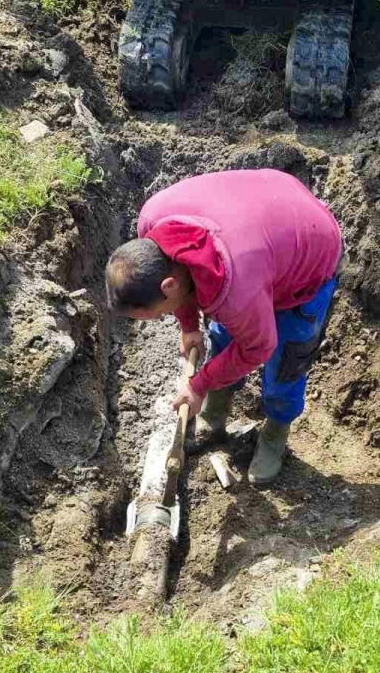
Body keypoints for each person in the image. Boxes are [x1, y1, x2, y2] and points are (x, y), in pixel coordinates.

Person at [105, 169, 343, 485]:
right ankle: (214, 416)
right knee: (225, 332)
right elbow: (183, 278)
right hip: (265, 216)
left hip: (309, 249)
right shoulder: (152, 224)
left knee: (287, 359)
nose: (164, 316)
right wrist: (189, 325)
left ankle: (275, 434)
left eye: (159, 313)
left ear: (168, 287)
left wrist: (198, 384)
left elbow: (258, 347)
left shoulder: (235, 289)